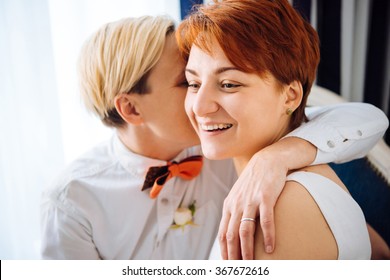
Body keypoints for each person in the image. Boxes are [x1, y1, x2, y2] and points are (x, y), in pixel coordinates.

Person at [40, 14, 388, 259]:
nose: (203, 103)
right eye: (188, 82)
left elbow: (364, 117)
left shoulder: (231, 143)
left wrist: (278, 156)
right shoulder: (72, 200)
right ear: (130, 109)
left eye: (224, 82)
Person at [176, 0, 389, 259]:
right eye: (193, 83)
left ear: (290, 97)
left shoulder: (276, 209)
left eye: (229, 84)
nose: (200, 106)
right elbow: (378, 252)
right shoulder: (265, 181)